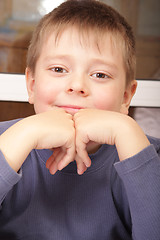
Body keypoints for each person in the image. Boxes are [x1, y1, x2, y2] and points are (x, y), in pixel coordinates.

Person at [0, 0, 160, 239]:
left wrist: (127, 132)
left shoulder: (147, 156)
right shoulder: (6, 142)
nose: (77, 86)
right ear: (32, 84)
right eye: (58, 69)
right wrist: (21, 137)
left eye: (99, 74)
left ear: (126, 96)